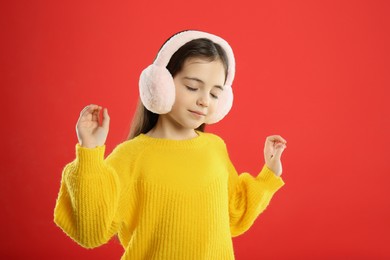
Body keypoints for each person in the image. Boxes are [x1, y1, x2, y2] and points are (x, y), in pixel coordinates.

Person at [54, 30, 287, 260]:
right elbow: (90, 231)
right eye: (193, 87)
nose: (204, 100)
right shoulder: (131, 156)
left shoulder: (215, 148)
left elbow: (235, 214)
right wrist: (89, 153)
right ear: (160, 84)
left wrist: (270, 174)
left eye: (215, 94)